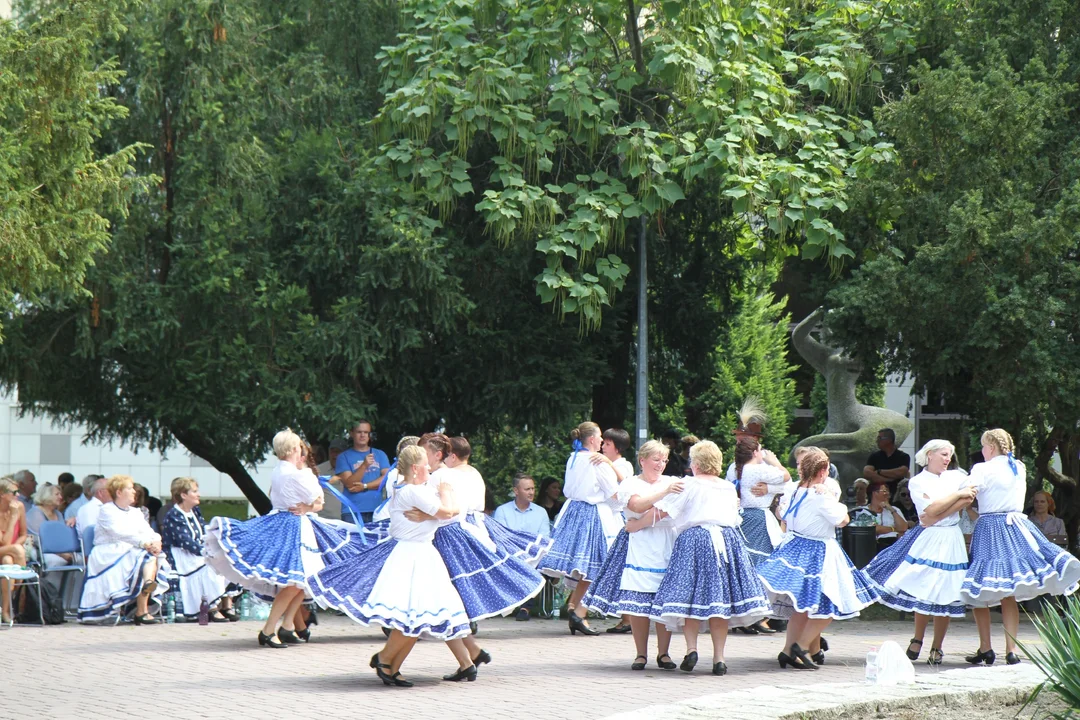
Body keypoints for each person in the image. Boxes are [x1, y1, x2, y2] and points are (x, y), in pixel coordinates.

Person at [308, 445, 474, 687]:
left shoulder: (409, 488)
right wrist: (446, 493)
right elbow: (450, 513)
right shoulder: (414, 492)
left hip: (420, 554)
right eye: (426, 465)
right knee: (413, 615)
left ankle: (391, 666)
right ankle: (385, 660)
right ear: (416, 469)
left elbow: (446, 514)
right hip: (413, 555)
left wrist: (433, 513)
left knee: (417, 617)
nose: (430, 467)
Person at [205, 428, 364, 648]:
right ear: (292, 449)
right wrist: (309, 500)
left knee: (302, 581)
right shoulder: (298, 474)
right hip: (295, 526)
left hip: (282, 521)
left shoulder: (279, 470)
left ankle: (288, 625)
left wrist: (308, 502)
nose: (301, 448)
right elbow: (319, 502)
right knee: (296, 581)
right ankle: (269, 630)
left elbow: (288, 498)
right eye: (298, 445)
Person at [648, 440, 771, 676]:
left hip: (694, 540)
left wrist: (640, 521)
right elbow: (735, 518)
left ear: (696, 463)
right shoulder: (726, 487)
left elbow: (665, 511)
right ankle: (719, 658)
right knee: (719, 600)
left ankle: (692, 649)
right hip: (726, 540)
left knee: (691, 596)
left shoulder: (688, 484)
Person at [961, 429, 1080, 666]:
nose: (982, 451)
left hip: (991, 527)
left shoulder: (983, 469)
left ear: (991, 447)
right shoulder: (1018, 467)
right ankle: (1011, 650)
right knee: (1009, 592)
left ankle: (986, 648)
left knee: (978, 587)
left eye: (984, 447)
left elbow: (966, 492)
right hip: (1016, 526)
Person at [758, 447, 879, 671]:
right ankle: (801, 647)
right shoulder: (820, 495)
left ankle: (788, 650)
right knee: (833, 603)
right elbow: (842, 520)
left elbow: (783, 513)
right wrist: (834, 500)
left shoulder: (795, 490)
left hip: (795, 545)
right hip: (818, 550)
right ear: (823, 470)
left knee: (801, 606)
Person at [861, 439, 973, 666]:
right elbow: (929, 510)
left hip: (951, 536)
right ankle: (918, 638)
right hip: (930, 537)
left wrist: (939, 512)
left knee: (946, 590)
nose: (947, 458)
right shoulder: (918, 481)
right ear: (929, 455)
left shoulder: (957, 476)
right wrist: (953, 499)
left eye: (949, 455)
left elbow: (968, 498)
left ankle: (937, 646)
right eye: (943, 454)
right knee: (924, 586)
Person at [582, 440, 683, 670]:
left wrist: (642, 521)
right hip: (640, 544)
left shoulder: (672, 482)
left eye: (664, 460)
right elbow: (637, 506)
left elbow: (671, 509)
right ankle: (640, 654)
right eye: (656, 460)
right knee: (639, 601)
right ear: (642, 460)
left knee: (662, 600)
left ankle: (664, 653)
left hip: (667, 541)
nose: (661, 465)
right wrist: (663, 495)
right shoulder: (630, 483)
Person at [538, 421, 620, 636]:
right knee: (598, 564)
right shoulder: (597, 462)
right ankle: (577, 610)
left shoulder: (573, 457)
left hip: (572, 511)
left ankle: (575, 609)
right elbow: (615, 494)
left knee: (585, 565)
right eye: (600, 436)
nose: (602, 440)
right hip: (592, 514)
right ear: (592, 439)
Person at [77, 475, 170, 624]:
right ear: (119, 493)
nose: (134, 491)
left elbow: (147, 531)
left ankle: (144, 600)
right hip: (108, 551)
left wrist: (156, 541)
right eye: (130, 488)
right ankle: (143, 604)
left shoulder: (135, 512)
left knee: (151, 556)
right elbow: (118, 532)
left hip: (130, 548)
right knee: (144, 557)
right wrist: (144, 543)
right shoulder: (106, 510)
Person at [727, 436, 791, 634]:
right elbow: (788, 479)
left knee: (749, 565)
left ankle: (749, 614)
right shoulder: (759, 469)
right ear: (755, 452)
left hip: (743, 517)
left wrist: (769, 488)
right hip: (759, 519)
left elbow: (784, 487)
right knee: (761, 566)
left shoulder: (735, 469)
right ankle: (754, 614)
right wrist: (774, 461)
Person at [160, 477, 237, 622]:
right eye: (194, 491)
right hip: (181, 555)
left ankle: (226, 606)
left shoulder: (195, 510)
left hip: (196, 552)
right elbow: (185, 541)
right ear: (183, 495)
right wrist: (206, 552)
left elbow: (204, 532)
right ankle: (211, 609)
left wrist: (215, 546)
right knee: (210, 566)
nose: (198, 494)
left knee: (226, 559)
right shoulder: (174, 515)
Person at [334, 420, 391, 524]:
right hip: (352, 512)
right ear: (352, 434)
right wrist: (364, 465)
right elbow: (350, 484)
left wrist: (365, 486)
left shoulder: (380, 454)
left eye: (366, 432)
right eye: (359, 432)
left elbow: (387, 479)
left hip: (377, 510)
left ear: (370, 435)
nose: (362, 435)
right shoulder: (343, 457)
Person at [0, 478, 29, 625]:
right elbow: (4, 542)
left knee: (7, 562)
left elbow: (24, 534)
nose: (17, 495)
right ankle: (19, 591)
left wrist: (14, 550)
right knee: (15, 552)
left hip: (9, 554)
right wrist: (12, 518)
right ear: (2, 494)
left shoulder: (20, 507)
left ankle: (5, 611)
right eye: (14, 492)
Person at [850, 482, 909, 552]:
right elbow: (873, 529)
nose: (887, 493)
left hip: (894, 546)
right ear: (875, 493)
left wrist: (891, 509)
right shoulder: (863, 510)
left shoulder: (894, 509)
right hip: (872, 548)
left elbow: (903, 528)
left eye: (888, 491)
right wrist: (894, 529)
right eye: (884, 491)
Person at [861, 428, 911, 496]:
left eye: (879, 438)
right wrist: (889, 479)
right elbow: (867, 473)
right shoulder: (874, 456)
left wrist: (879, 472)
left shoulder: (903, 456)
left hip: (896, 495)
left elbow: (902, 472)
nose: (877, 441)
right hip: (876, 495)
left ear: (889, 440)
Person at [316, 438, 349, 521]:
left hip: (348, 519)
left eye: (338, 452)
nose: (335, 455)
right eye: (332, 451)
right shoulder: (318, 471)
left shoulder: (353, 470)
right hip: (325, 520)